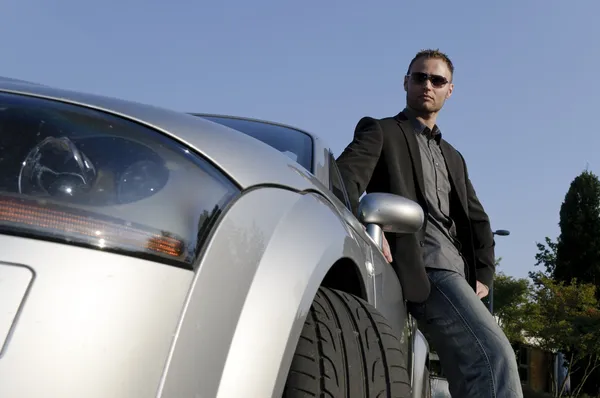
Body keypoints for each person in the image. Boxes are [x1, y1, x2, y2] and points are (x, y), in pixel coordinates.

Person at [336, 49, 522, 397]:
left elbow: (477, 219)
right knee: (495, 359)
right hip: (424, 265)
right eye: (420, 77)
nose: (427, 85)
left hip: (457, 273)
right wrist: (363, 227)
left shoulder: (454, 156)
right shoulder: (382, 131)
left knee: (470, 379)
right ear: (406, 82)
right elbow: (343, 180)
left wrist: (483, 274)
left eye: (437, 80)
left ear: (449, 90)